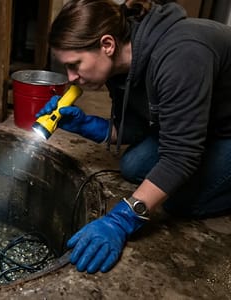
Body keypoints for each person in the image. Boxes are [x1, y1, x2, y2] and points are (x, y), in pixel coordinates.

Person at [36, 0, 231, 274]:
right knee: (134, 165)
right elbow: (140, 127)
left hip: (226, 131)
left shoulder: (181, 55)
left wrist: (123, 219)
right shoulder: (122, 65)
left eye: (75, 64)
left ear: (107, 45)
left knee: (177, 200)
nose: (71, 77)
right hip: (208, 123)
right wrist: (85, 124)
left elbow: (181, 156)